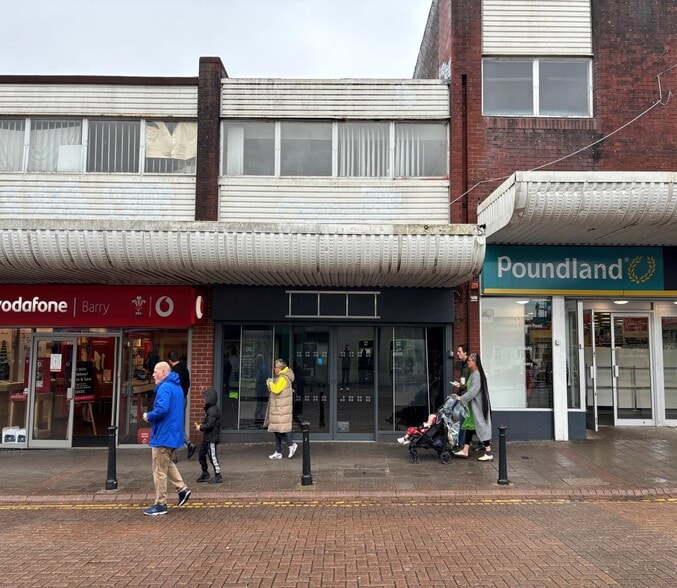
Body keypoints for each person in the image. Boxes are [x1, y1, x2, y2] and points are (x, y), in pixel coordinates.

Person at [142, 361, 191, 515]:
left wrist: (148, 416)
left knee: (159, 470)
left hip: (163, 435)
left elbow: (161, 410)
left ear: (164, 372)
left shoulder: (164, 388)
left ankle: (160, 504)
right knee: (167, 463)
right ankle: (182, 489)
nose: (153, 375)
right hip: (173, 435)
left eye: (156, 371)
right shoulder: (177, 387)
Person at [452, 353, 494, 462]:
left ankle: (488, 452)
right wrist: (461, 386)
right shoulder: (473, 374)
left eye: (469, 360)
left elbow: (472, 392)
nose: (468, 362)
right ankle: (465, 450)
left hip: (478, 406)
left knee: (482, 426)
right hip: (472, 406)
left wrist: (461, 398)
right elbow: (469, 387)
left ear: (474, 362)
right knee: (470, 427)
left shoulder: (477, 375)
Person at [264, 358, 298, 460]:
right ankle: (278, 451)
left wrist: (270, 382)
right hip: (280, 407)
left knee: (277, 430)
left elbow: (276, 390)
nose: (274, 369)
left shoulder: (283, 378)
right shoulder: (283, 377)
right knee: (276, 428)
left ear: (280, 368)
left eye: (276, 367)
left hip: (280, 408)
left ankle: (291, 444)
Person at [168, 351, 196, 460]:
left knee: (173, 425)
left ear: (170, 361)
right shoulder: (185, 369)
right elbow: (188, 385)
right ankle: (187, 444)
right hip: (184, 398)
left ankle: (174, 454)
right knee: (176, 424)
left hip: (175, 401)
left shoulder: (174, 372)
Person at [194, 387, 222, 484]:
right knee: (201, 454)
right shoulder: (210, 409)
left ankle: (218, 475)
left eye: (205, 398)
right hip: (208, 437)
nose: (203, 400)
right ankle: (205, 472)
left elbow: (210, 424)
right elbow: (207, 421)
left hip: (211, 438)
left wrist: (201, 427)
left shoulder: (212, 410)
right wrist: (202, 425)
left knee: (212, 456)